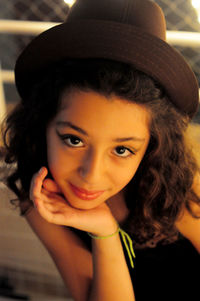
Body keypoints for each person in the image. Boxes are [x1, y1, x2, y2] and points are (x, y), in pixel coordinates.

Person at [1, 0, 200, 300]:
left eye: (122, 150)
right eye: (73, 140)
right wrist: (104, 232)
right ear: (43, 124)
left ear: (152, 147)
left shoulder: (179, 184)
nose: (90, 176)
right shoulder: (43, 199)